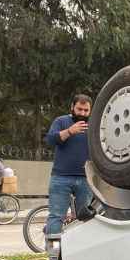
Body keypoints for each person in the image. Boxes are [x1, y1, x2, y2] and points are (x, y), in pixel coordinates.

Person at [45, 94, 94, 235]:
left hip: (86, 178)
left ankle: (80, 253)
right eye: (79, 109)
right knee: (56, 216)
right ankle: (53, 254)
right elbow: (51, 140)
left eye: (86, 111)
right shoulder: (61, 121)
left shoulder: (94, 125)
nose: (83, 113)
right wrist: (69, 131)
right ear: (72, 107)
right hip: (61, 177)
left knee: (86, 218)